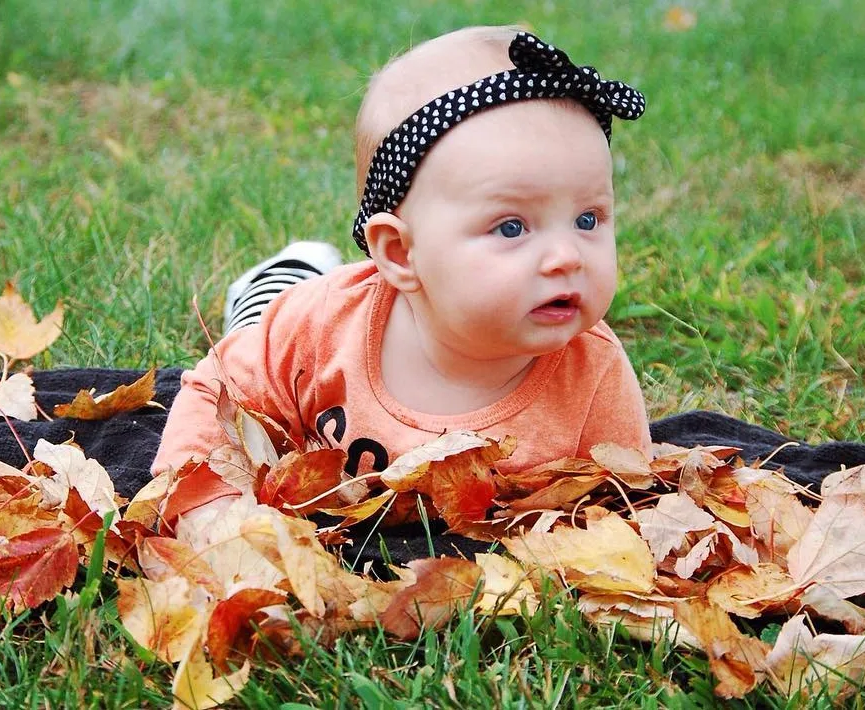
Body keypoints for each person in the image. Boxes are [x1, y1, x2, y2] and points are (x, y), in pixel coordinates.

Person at [152, 26, 651, 516]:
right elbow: (213, 394)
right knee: (257, 338)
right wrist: (210, 509)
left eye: (587, 219)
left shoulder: (595, 376)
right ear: (399, 253)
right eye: (512, 227)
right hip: (294, 331)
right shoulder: (320, 328)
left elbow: (626, 504)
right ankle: (280, 277)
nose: (567, 256)